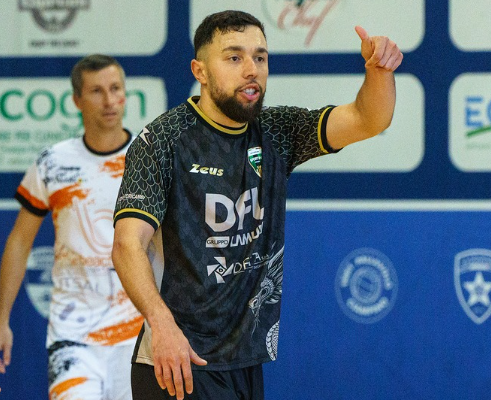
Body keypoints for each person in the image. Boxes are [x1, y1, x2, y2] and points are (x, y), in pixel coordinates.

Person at [112, 10, 403, 400]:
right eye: (234, 57)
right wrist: (161, 324)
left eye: (260, 57)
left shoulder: (277, 132)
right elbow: (127, 244)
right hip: (178, 360)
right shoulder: (163, 140)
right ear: (200, 71)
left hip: (244, 360)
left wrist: (379, 71)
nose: (252, 69)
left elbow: (369, 119)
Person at [0, 54, 144, 400]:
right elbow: (19, 242)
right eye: (97, 91)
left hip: (138, 334)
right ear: (76, 100)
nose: (109, 100)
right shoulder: (53, 162)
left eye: (116, 88)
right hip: (72, 335)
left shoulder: (150, 158)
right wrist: (1, 322)